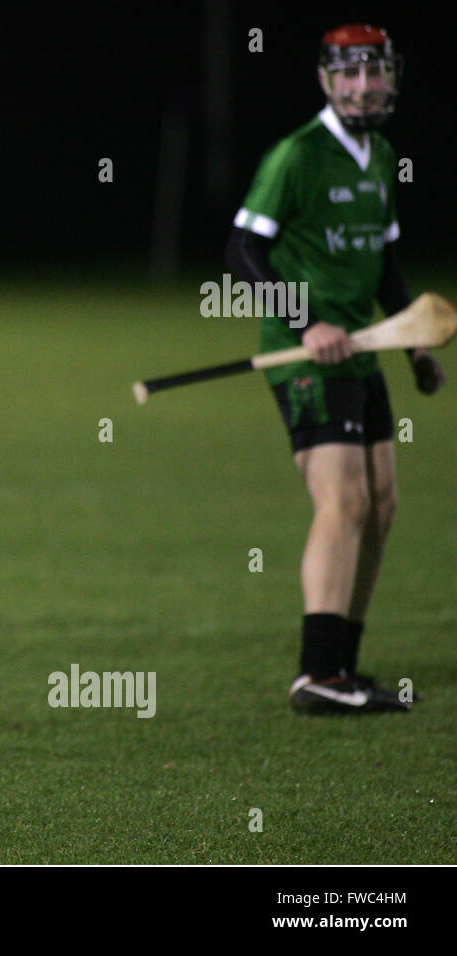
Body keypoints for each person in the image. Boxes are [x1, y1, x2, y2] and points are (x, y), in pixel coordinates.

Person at [225, 24, 444, 714]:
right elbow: (240, 252)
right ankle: (317, 674)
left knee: (381, 503)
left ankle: (344, 667)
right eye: (348, 74)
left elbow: (388, 265)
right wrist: (306, 324)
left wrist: (413, 343)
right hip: (307, 359)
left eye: (372, 73)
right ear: (326, 79)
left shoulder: (380, 157)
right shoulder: (297, 155)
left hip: (366, 347)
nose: (361, 86)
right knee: (343, 499)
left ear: (391, 78)